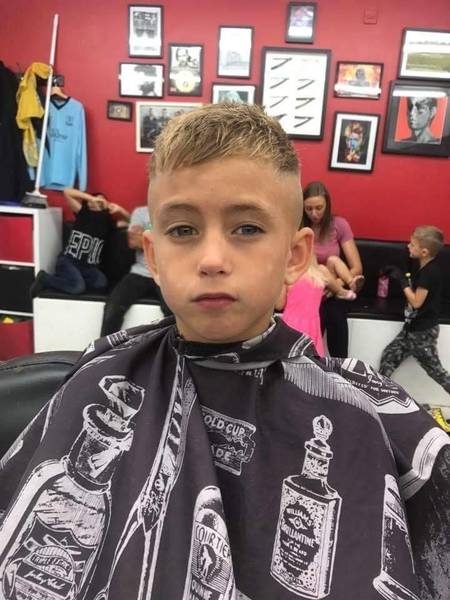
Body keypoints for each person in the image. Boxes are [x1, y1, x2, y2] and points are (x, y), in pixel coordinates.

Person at [0, 104, 448, 600]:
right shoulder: (102, 379)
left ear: (295, 256)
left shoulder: (368, 409)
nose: (212, 259)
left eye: (247, 229)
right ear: (154, 257)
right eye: (183, 230)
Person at [379, 225, 450, 393]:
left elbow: (416, 302)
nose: (408, 246)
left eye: (412, 244)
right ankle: (379, 395)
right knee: (389, 356)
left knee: (436, 372)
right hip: (412, 328)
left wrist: (402, 282)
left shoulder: (429, 273)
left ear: (424, 252)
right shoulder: (425, 269)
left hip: (422, 333)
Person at [30, 187, 130, 297]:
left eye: (102, 200)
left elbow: (131, 222)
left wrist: (120, 210)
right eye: (96, 199)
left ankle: (73, 279)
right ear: (88, 203)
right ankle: (45, 278)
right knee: (77, 287)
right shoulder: (83, 212)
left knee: (101, 284)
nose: (99, 201)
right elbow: (67, 192)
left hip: (89, 267)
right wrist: (91, 198)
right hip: (69, 261)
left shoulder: (108, 222)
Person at [302, 181, 364, 357]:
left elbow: (357, 267)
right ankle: (311, 363)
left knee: (336, 314)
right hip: (311, 285)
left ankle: (340, 365)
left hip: (335, 286)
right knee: (316, 315)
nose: (314, 213)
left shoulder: (339, 225)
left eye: (319, 208)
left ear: (327, 205)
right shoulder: (300, 227)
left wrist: (335, 284)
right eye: (309, 209)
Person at [100, 206, 171, 336]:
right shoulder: (140, 212)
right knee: (112, 308)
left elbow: (181, 245)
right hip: (140, 272)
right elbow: (134, 242)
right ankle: (105, 348)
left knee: (174, 312)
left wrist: (146, 236)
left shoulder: (176, 211)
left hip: (167, 274)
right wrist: (165, 239)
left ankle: (174, 347)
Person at [278, 255, 326, 356]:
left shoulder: (288, 275)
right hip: (313, 326)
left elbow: (279, 305)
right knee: (312, 361)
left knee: (288, 360)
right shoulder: (320, 275)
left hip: (290, 325)